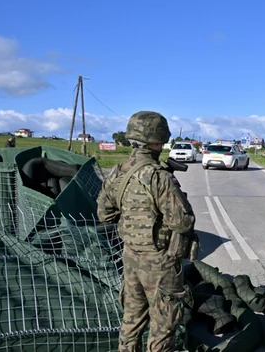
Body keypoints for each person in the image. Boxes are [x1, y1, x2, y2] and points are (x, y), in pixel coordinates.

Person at [97, 111, 196, 352]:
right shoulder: (158, 176)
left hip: (131, 257)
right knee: (163, 323)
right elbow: (182, 222)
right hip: (160, 261)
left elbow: (105, 215)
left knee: (131, 320)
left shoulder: (118, 171)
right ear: (158, 139)